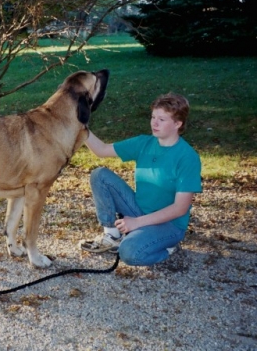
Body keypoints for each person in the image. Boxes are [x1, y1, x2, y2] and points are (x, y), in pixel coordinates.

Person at [80, 93, 202, 266]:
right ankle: (112, 235)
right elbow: (102, 150)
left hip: (170, 224)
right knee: (100, 175)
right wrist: (81, 125)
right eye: (153, 117)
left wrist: (136, 223)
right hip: (139, 209)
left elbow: (180, 208)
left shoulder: (187, 157)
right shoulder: (144, 143)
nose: (154, 123)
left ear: (177, 124)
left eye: (161, 119)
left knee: (129, 252)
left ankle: (167, 250)